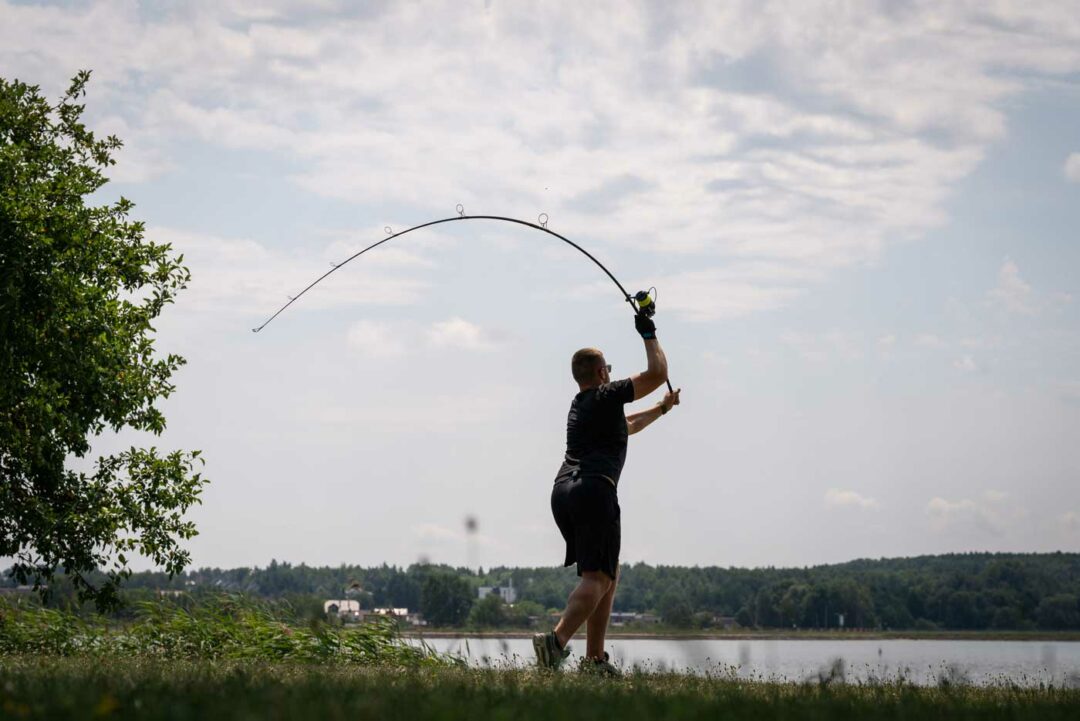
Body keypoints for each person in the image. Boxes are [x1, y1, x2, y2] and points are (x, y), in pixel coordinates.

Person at [533, 313, 680, 675]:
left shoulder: (582, 405)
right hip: (594, 490)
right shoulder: (607, 394)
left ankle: (595, 660)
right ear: (601, 373)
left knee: (606, 573)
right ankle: (554, 643)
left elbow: (628, 426)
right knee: (597, 578)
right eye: (608, 368)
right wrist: (649, 332)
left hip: (564, 491)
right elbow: (656, 373)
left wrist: (661, 408)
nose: (611, 373)